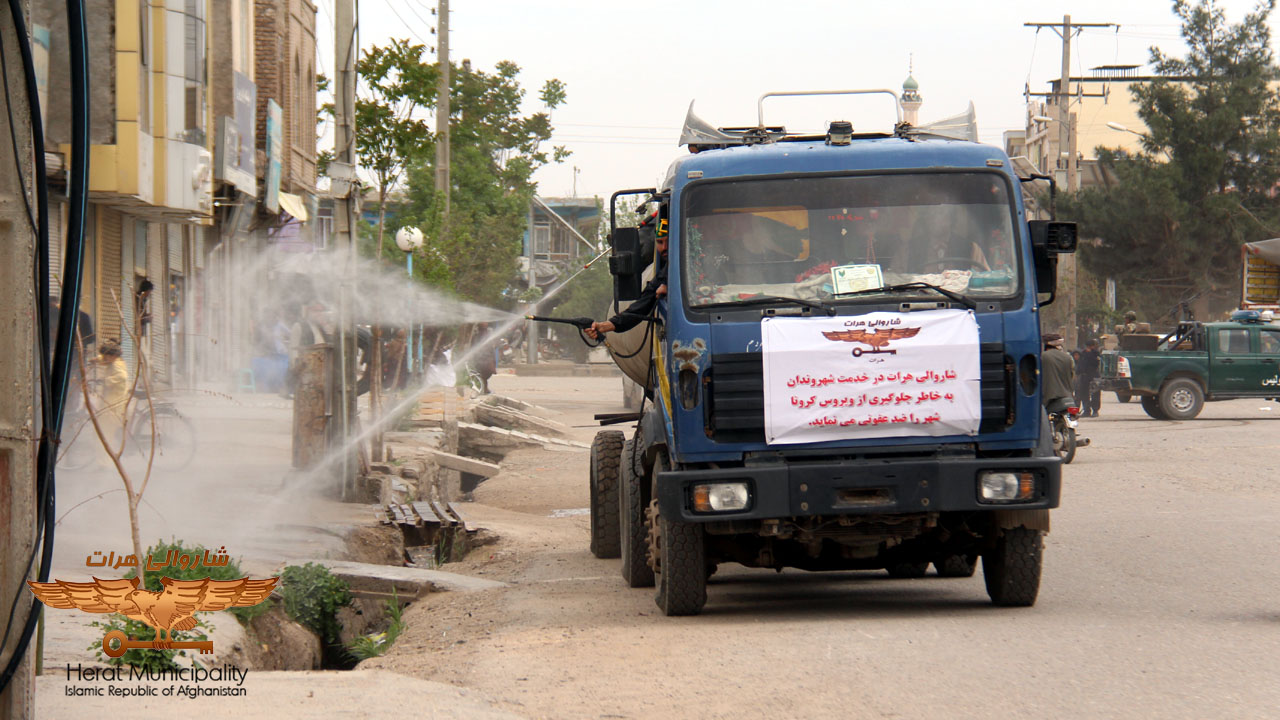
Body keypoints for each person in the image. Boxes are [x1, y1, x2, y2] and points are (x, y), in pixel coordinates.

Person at [586, 217, 668, 340]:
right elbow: (644, 303)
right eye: (660, 242)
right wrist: (606, 325)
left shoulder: (697, 260)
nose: (665, 247)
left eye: (668, 241)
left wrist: (672, 290)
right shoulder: (664, 273)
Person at [1041, 334, 1076, 412]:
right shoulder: (1068, 357)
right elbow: (1072, 376)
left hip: (1049, 397)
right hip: (1068, 395)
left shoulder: (1042, 356)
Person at [1077, 338, 1103, 417]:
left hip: (1094, 376)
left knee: (1095, 394)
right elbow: (1080, 363)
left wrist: (1090, 354)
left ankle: (1095, 410)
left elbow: (1096, 363)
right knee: (1084, 394)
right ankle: (1086, 410)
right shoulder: (1083, 353)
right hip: (1084, 376)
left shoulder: (1096, 354)